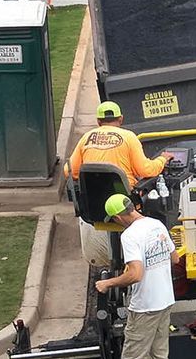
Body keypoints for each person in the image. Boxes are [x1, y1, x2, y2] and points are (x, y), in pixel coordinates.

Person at [93, 192, 178, 359]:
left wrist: (108, 283)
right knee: (159, 356)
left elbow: (136, 274)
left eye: (115, 219)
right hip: (165, 301)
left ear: (119, 216)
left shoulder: (130, 235)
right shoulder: (156, 224)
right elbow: (174, 257)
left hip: (145, 307)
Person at [68, 101, 169, 269]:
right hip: (126, 205)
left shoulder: (86, 138)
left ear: (98, 121)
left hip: (94, 208)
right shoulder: (129, 137)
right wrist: (163, 159)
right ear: (120, 119)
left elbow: (69, 170)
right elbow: (146, 170)